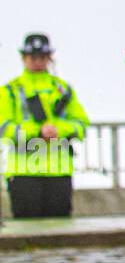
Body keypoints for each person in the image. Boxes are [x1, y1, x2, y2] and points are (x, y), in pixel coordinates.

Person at [0, 34, 89, 218]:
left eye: (42, 57)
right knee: (27, 232)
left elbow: (81, 125)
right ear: (24, 58)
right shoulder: (11, 90)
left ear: (49, 58)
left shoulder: (63, 89)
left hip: (59, 173)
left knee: (61, 231)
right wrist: (37, 131)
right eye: (33, 57)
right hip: (24, 173)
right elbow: (4, 128)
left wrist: (59, 130)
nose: (38, 62)